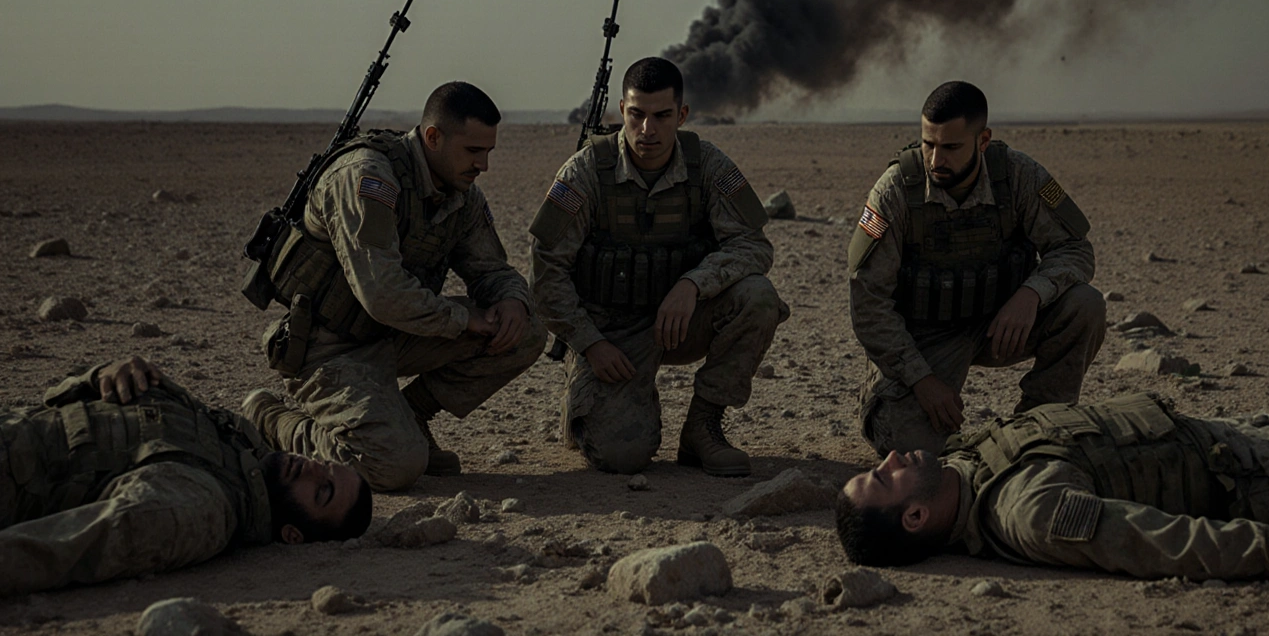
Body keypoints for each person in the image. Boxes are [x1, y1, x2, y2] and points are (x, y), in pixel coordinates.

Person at [245, 81, 546, 492]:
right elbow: (381, 293)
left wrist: (511, 300)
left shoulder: (461, 195)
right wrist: (463, 319)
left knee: (524, 332)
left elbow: (490, 268)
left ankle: (411, 414)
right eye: (474, 152)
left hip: (395, 335)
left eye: (489, 152)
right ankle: (271, 417)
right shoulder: (366, 177)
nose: (484, 166)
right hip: (330, 346)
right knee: (394, 466)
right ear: (433, 137)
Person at [529, 57, 788, 477]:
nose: (647, 130)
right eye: (637, 115)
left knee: (758, 297)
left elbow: (753, 245)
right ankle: (586, 401)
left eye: (662, 116)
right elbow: (545, 272)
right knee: (623, 458)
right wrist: (589, 343)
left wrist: (693, 284)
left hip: (681, 321)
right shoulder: (585, 172)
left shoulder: (709, 166)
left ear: (681, 115)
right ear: (621, 111)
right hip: (610, 332)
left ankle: (703, 428)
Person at [848, 80, 1105, 457]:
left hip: (1002, 323)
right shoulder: (895, 191)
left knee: (1085, 305)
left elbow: (1075, 249)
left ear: (983, 141)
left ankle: (1041, 424)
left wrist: (1031, 294)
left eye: (951, 147)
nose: (936, 160)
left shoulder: (1019, 176)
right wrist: (922, 380)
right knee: (913, 454)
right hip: (926, 337)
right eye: (928, 145)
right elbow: (868, 302)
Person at [835, 393, 1269, 580]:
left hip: (1249, 431)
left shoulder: (965, 464)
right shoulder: (1030, 509)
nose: (891, 457)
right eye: (885, 477)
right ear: (915, 517)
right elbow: (1173, 544)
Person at [1, 357, 372, 596]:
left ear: (293, 535)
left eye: (322, 491)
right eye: (325, 465)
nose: (312, 468)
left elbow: (71, 544)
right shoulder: (236, 439)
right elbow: (58, 399)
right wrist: (102, 374)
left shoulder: (202, 506)